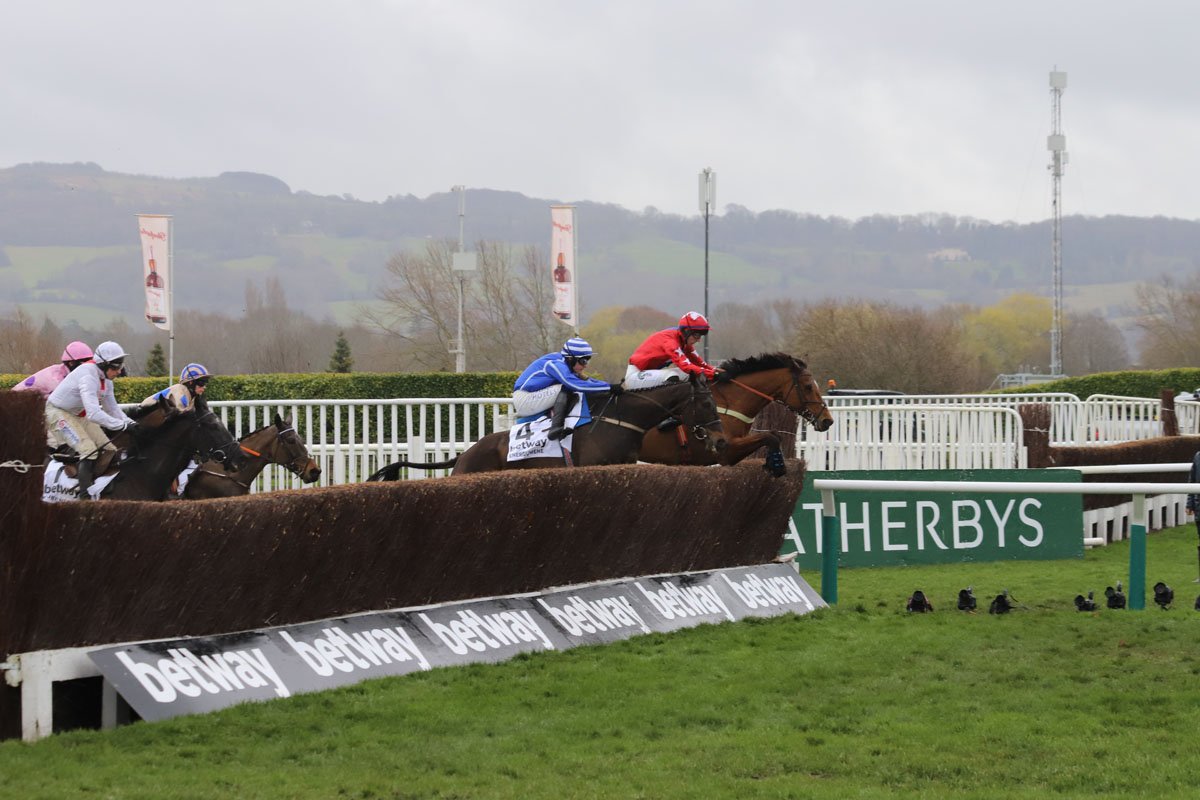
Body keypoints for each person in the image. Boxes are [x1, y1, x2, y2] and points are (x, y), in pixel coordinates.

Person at [45, 340, 138, 499]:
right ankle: (83, 497)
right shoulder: (88, 375)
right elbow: (94, 414)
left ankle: (92, 483)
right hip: (57, 412)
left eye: (120, 366)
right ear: (103, 364)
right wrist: (122, 426)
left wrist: (132, 424)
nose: (119, 371)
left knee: (110, 449)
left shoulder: (107, 381)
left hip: (77, 414)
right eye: (115, 367)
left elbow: (112, 409)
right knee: (88, 450)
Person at [513, 337, 617, 441]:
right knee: (566, 388)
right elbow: (576, 385)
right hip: (524, 399)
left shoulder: (565, 364)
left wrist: (609, 386)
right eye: (583, 361)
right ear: (571, 358)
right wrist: (609, 387)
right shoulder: (555, 364)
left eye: (587, 361)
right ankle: (555, 427)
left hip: (532, 396)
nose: (585, 365)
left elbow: (588, 382)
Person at [625, 311, 719, 389]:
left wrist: (715, 371)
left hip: (649, 374)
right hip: (635, 376)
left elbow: (699, 363)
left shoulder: (683, 340)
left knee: (688, 374)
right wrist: (713, 375)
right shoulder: (670, 341)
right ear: (686, 331)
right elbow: (686, 366)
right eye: (697, 335)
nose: (698, 340)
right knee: (672, 375)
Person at [12, 341, 94, 399]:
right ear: (71, 363)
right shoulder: (55, 378)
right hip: (18, 402)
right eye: (84, 363)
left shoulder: (66, 373)